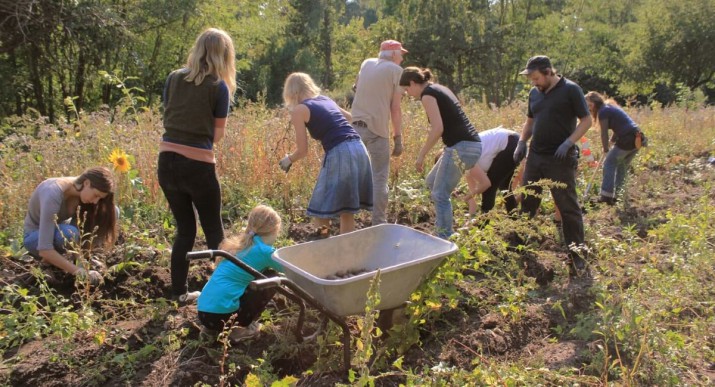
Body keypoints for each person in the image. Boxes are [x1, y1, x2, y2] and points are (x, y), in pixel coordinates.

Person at [158, 28, 236, 303]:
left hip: (166, 162)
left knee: (185, 230)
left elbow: (169, 114)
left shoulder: (173, 78)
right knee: (214, 230)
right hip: (197, 166)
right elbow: (216, 136)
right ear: (225, 56)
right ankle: (225, 293)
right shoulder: (218, 87)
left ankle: (179, 292)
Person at [513, 55, 593, 276]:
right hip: (536, 156)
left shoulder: (571, 90)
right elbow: (530, 121)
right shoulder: (534, 94)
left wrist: (569, 142)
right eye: (531, 79)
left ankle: (577, 255)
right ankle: (520, 248)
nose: (534, 83)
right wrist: (522, 141)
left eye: (537, 78)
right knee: (528, 201)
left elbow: (586, 120)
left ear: (548, 72)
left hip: (560, 158)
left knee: (567, 207)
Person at [279, 72, 373, 235]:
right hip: (359, 147)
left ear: (291, 93)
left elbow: (302, 151)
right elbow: (350, 118)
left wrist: (288, 160)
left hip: (341, 151)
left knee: (321, 207)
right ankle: (346, 251)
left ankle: (323, 247)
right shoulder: (325, 100)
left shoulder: (299, 110)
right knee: (347, 209)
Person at [399, 67, 482, 239]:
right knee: (432, 182)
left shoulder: (427, 95)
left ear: (413, 83)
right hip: (470, 145)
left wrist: (421, 155)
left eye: (407, 89)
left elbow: (437, 128)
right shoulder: (439, 88)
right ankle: (444, 226)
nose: (408, 93)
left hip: (462, 146)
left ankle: (443, 238)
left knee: (439, 194)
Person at [197, 205, 282, 343]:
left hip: (204, 314)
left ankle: (210, 331)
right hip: (223, 317)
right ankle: (240, 329)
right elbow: (290, 269)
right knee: (271, 277)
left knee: (242, 279)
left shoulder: (238, 244)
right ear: (275, 231)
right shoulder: (265, 252)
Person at [23, 167, 118, 285]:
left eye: (99, 198)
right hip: (35, 237)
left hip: (59, 229)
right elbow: (44, 249)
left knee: (112, 211)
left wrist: (81, 261)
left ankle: (84, 256)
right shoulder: (52, 193)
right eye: (95, 195)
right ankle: (46, 265)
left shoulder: (79, 190)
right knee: (68, 233)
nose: (95, 201)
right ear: (87, 183)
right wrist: (79, 271)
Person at [350, 39, 406, 225]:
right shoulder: (397, 72)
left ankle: (341, 220)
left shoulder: (366, 63)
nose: (402, 58)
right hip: (377, 131)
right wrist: (397, 137)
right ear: (393, 55)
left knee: (350, 175)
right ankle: (378, 223)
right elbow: (395, 108)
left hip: (355, 128)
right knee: (380, 177)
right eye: (401, 54)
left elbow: (355, 87)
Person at [585, 91, 646, 205]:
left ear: (595, 101)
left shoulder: (603, 111)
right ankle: (618, 195)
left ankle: (606, 196)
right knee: (622, 166)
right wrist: (611, 141)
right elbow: (619, 127)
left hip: (627, 139)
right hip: (637, 138)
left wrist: (605, 148)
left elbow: (604, 133)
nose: (588, 107)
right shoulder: (610, 108)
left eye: (589, 104)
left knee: (609, 163)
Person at [459, 127, 520, 216]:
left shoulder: (463, 159)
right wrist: (471, 218)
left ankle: (484, 223)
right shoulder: (464, 165)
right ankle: (514, 218)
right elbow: (472, 194)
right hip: (513, 141)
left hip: (510, 143)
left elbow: (486, 184)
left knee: (490, 188)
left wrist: (465, 198)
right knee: (505, 186)